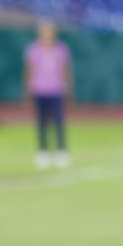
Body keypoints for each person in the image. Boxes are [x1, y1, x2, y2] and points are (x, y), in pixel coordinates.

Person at [24, 20, 73, 169]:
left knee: (58, 121)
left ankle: (61, 152)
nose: (46, 34)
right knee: (41, 122)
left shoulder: (61, 49)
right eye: (44, 31)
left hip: (56, 89)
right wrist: (28, 88)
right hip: (39, 90)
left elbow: (65, 70)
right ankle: (43, 152)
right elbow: (30, 70)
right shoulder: (34, 49)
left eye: (49, 31)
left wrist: (68, 88)